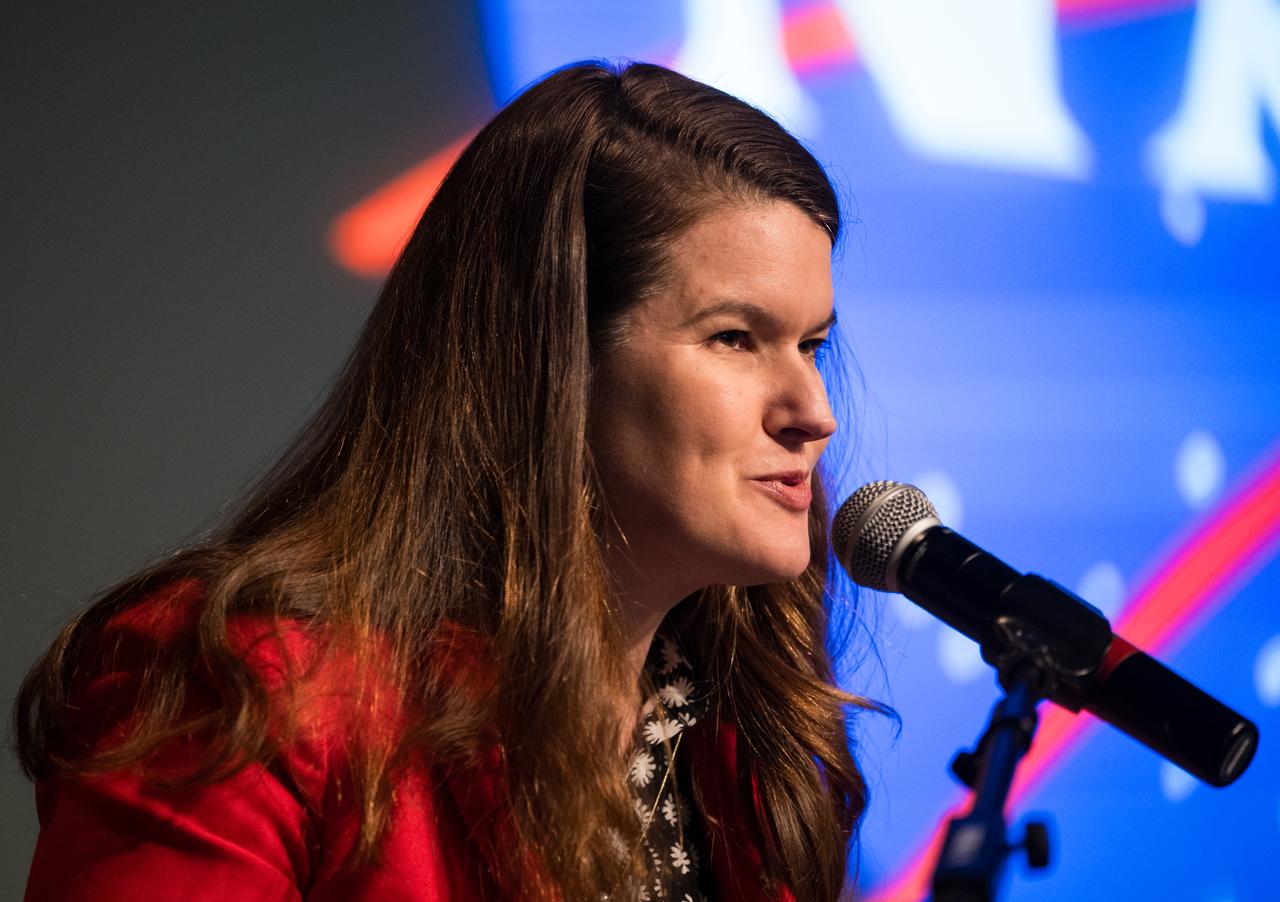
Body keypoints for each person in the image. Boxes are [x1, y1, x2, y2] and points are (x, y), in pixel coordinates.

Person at [15, 60, 880, 901]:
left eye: (811, 346)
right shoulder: (251, 692)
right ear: (553, 357)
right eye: (734, 338)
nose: (812, 409)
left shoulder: (744, 751)